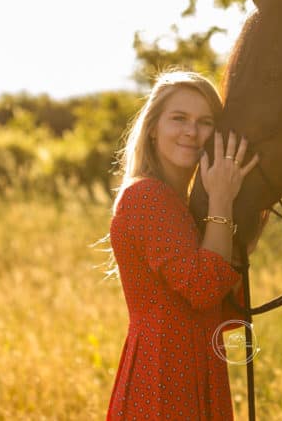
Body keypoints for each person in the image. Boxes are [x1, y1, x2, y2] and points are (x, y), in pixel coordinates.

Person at [106, 70, 260, 420]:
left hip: (199, 368)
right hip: (162, 377)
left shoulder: (184, 207)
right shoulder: (147, 196)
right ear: (153, 127)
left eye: (205, 122)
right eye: (179, 118)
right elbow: (205, 287)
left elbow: (226, 311)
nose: (192, 132)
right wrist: (222, 199)